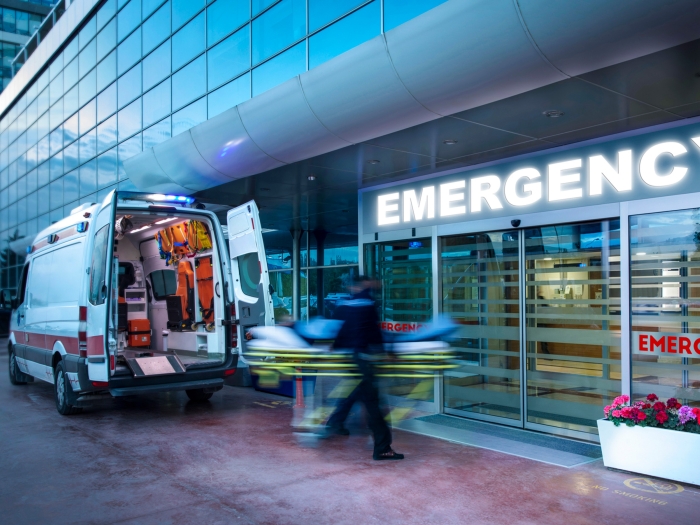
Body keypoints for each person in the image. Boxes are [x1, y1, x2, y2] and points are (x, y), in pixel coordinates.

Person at [324, 275, 404, 461]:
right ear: (363, 285)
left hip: (350, 359)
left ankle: (335, 423)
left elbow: (337, 331)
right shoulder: (367, 303)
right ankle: (382, 448)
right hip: (361, 359)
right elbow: (374, 333)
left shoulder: (344, 305)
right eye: (372, 283)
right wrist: (387, 353)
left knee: (357, 392)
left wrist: (334, 347)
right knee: (373, 404)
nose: (376, 285)